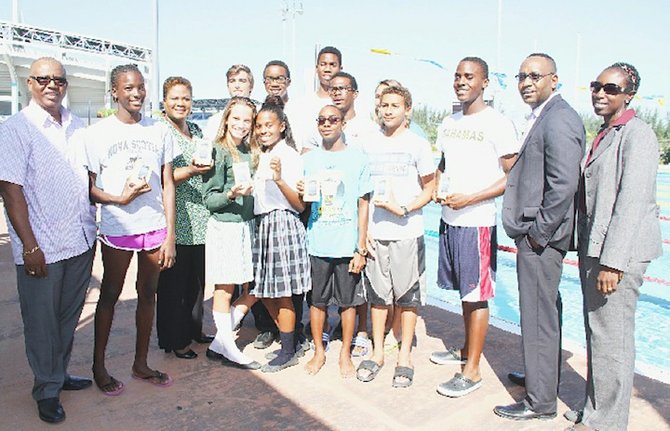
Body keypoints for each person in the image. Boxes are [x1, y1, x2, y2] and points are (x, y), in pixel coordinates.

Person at [0, 57, 96, 424]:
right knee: (41, 322)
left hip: (80, 239)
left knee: (66, 318)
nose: (52, 85)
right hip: (42, 247)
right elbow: (10, 191)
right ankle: (46, 389)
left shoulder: (75, 124)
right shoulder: (16, 128)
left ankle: (58, 374)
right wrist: (29, 246)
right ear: (30, 83)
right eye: (43, 79)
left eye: (58, 79)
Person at [568, 63, 662, 431]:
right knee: (599, 334)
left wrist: (613, 263)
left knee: (613, 340)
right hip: (596, 248)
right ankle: (597, 412)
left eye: (610, 88)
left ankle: (606, 424)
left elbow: (632, 203)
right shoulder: (607, 133)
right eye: (596, 86)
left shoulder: (638, 136)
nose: (600, 93)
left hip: (615, 255)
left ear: (629, 94)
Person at [494, 53, 585, 421]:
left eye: (534, 75)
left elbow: (564, 184)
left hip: (541, 238)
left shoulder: (559, 118)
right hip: (538, 234)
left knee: (537, 316)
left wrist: (538, 235)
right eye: (521, 76)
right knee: (542, 313)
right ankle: (540, 378)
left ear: (554, 79)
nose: (526, 82)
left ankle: (540, 402)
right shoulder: (544, 116)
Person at [85, 64, 178, 396]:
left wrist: (170, 234)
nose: (136, 93)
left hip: (154, 226)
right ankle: (99, 366)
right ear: (115, 92)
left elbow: (168, 184)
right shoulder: (96, 134)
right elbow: (90, 189)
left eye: (140, 87)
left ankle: (140, 364)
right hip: (117, 226)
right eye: (128, 88)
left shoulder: (159, 130)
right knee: (109, 294)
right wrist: (119, 198)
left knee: (147, 296)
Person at [430, 57, 519, 397]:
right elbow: (443, 165)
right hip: (450, 220)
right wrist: (439, 188)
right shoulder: (448, 122)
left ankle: (473, 371)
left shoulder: (498, 123)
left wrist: (472, 199)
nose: (461, 81)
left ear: (485, 83)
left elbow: (512, 176)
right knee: (463, 293)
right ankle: (467, 350)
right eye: (457, 76)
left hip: (476, 221)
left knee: (477, 295)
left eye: (469, 76)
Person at [356, 85, 435, 388]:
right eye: (385, 105)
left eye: (395, 105)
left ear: (407, 110)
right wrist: (363, 234)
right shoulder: (367, 143)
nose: (389, 110)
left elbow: (430, 188)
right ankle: (377, 353)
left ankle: (404, 356)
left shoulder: (417, 145)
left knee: (407, 298)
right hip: (377, 234)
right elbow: (361, 193)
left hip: (407, 233)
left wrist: (403, 208)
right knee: (378, 297)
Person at [300, 105, 371, 377]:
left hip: (346, 245)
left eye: (332, 120)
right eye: (321, 120)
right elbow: (302, 201)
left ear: (343, 123)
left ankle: (345, 354)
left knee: (348, 302)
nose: (326, 124)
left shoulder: (358, 159)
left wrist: (360, 247)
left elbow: (363, 204)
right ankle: (319, 351)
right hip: (317, 242)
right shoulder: (308, 160)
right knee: (317, 301)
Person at [201, 96, 262, 370]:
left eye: (246, 120)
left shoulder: (252, 151)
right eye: (236, 118)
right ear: (226, 118)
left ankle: (219, 344)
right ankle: (230, 348)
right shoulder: (217, 150)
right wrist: (230, 193)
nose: (241, 124)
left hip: (247, 227)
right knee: (223, 290)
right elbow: (209, 199)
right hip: (224, 227)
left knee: (257, 286)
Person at [251, 100, 311, 372]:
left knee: (282, 293)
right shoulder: (263, 154)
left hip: (282, 223)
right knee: (264, 290)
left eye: (269, 125)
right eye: (259, 125)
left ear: (282, 126)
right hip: (263, 224)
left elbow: (299, 205)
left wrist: (278, 179)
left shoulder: (288, 155)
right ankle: (293, 339)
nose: (263, 130)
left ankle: (288, 349)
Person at [156, 76, 213, 360]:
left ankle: (193, 330)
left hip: (201, 219)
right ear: (164, 101)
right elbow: (162, 177)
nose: (181, 103)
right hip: (176, 218)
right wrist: (190, 171)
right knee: (174, 284)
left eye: (186, 98)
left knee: (197, 282)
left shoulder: (196, 129)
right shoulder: (160, 131)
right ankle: (175, 339)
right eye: (175, 98)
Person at [295, 46, 343, 153]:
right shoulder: (303, 104)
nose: (327, 69)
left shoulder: (346, 104)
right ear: (317, 68)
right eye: (323, 64)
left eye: (332, 65)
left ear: (340, 69)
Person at [203, 64, 257, 140]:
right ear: (228, 86)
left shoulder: (261, 116)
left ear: (251, 85)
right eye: (232, 81)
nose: (237, 85)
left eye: (242, 81)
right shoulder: (215, 121)